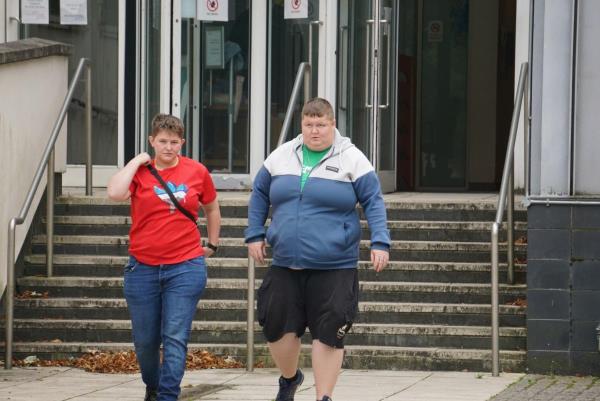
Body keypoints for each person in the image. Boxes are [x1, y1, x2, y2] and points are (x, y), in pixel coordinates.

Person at [245, 98, 390, 401]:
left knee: (329, 333)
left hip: (335, 264)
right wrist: (255, 233)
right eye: (309, 124)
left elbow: (373, 201)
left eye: (321, 125)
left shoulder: (352, 158)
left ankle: (323, 396)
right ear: (302, 125)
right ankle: (290, 378)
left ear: (332, 124)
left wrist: (380, 242)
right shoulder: (283, 155)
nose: (314, 131)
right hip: (286, 261)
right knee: (275, 326)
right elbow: (259, 192)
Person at [107, 114, 221, 401]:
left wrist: (212, 244)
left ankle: (168, 395)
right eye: (162, 141)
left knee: (175, 336)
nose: (168, 147)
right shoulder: (140, 172)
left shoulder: (196, 171)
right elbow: (115, 193)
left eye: (174, 142)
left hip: (185, 266)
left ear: (182, 142)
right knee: (145, 341)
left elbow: (211, 208)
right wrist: (136, 161)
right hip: (142, 267)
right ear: (152, 141)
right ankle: (154, 384)